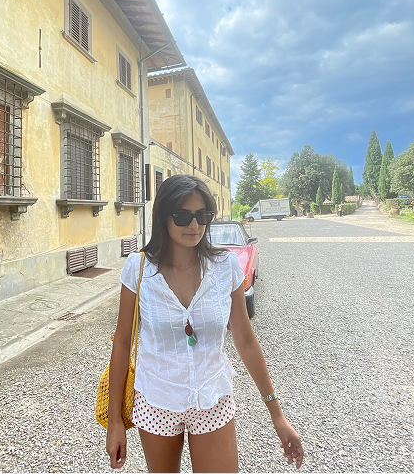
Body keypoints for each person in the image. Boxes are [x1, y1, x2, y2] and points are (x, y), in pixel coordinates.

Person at [106, 175, 303, 473]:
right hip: (157, 397)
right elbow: (122, 342)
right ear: (163, 216)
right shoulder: (138, 268)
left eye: (203, 215)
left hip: (212, 397)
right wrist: (115, 422)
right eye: (183, 216)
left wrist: (277, 415)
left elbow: (246, 341)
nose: (195, 225)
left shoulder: (225, 267)